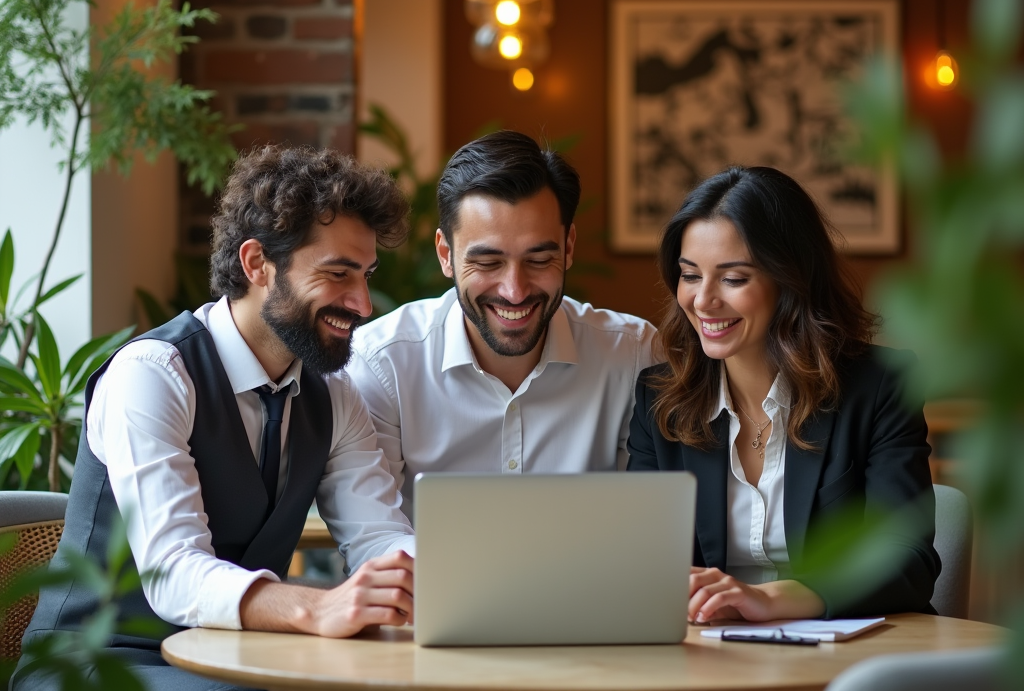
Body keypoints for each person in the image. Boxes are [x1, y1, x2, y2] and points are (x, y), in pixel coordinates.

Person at [15, 146, 417, 691]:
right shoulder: (153, 374)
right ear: (257, 265)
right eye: (338, 273)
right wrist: (317, 608)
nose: (365, 303)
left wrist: (428, 583)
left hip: (237, 659)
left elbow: (378, 535)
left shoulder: (334, 395)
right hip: (101, 661)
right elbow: (174, 573)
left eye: (366, 274)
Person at [627, 166, 940, 622]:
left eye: (733, 278)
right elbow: (642, 559)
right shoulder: (660, 399)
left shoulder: (879, 387)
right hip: (710, 654)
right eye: (690, 275)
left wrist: (772, 600)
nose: (703, 300)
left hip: (849, 654)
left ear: (791, 281)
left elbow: (907, 558)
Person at [348, 131, 656, 514]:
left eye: (539, 260)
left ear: (569, 247)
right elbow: (376, 530)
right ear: (446, 255)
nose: (514, 291)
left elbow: (649, 518)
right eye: (488, 262)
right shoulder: (383, 364)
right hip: (431, 577)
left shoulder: (634, 355)